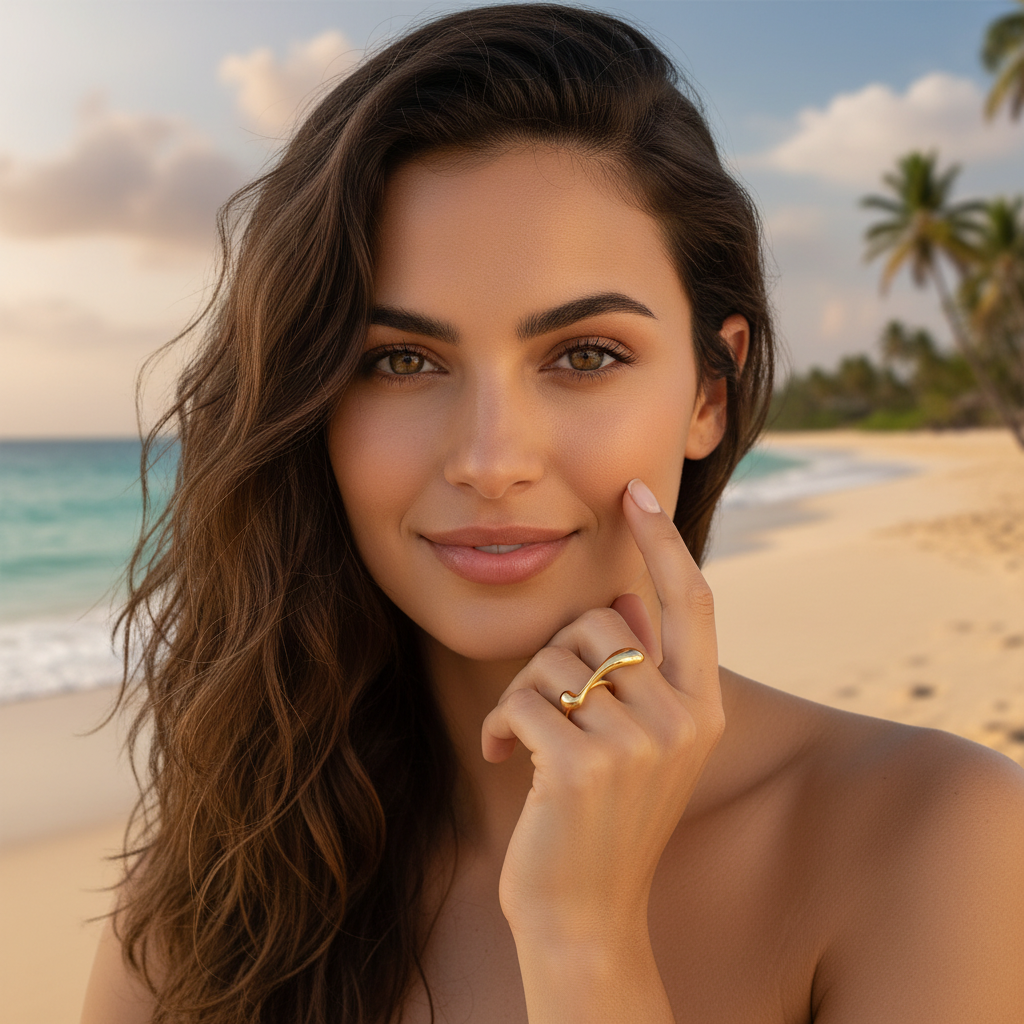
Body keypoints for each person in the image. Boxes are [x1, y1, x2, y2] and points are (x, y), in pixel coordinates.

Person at [81, 5, 1024, 1022]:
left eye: (584, 356)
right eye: (400, 361)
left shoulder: (936, 835)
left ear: (710, 390)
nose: (491, 460)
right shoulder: (220, 874)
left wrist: (585, 940)